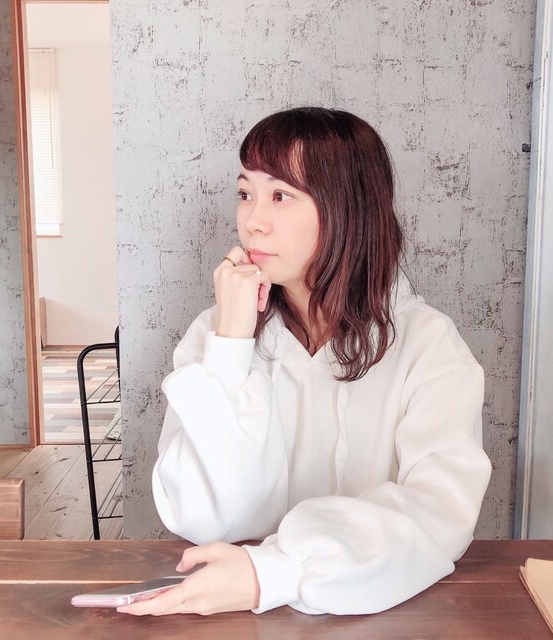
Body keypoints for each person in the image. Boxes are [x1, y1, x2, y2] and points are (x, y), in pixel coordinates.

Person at [117, 107, 492, 618]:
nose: (252, 221)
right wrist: (231, 346)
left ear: (348, 208)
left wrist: (276, 573)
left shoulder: (427, 345)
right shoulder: (215, 333)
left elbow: (439, 514)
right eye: (245, 193)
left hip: (381, 615)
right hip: (229, 610)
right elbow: (201, 517)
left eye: (280, 196)